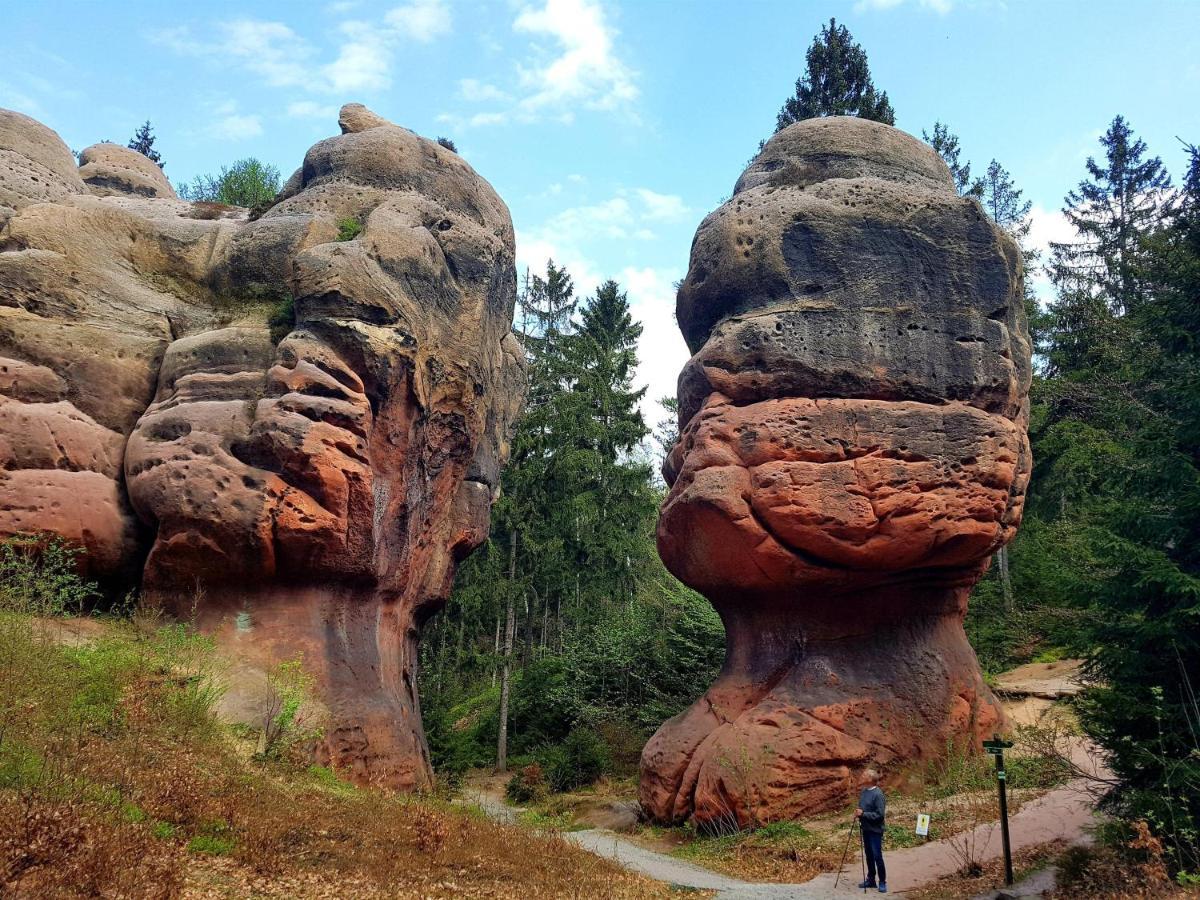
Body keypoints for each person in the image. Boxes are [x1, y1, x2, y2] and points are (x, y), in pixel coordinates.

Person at [854, 768, 887, 893]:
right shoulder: (864, 791)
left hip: (875, 830)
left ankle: (882, 881)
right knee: (869, 855)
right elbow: (862, 808)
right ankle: (871, 879)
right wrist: (858, 813)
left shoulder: (878, 795)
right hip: (866, 829)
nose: (862, 776)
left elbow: (880, 815)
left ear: (870, 779)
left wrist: (863, 814)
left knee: (877, 856)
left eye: (864, 775)